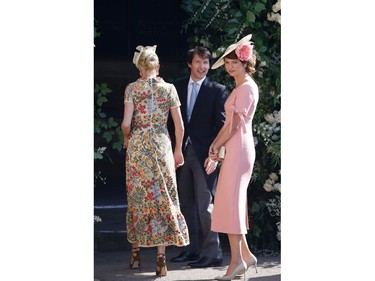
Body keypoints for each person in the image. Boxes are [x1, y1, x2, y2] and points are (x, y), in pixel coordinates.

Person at [121, 45, 190, 277]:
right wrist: (178, 150)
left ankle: (135, 253)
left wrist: (127, 140)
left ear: (140, 69)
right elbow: (179, 125)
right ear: (157, 66)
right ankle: (161, 258)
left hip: (139, 148)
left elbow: (126, 124)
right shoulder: (169, 89)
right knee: (163, 196)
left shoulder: (131, 88)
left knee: (138, 196)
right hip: (161, 147)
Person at [204, 34, 259, 280]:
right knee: (231, 201)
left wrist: (215, 145)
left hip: (239, 148)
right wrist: (217, 145)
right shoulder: (242, 86)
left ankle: (237, 261)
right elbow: (230, 125)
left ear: (245, 62)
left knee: (232, 202)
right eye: (227, 63)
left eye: (234, 61)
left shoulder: (246, 87)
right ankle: (245, 255)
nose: (229, 66)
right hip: (236, 147)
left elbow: (234, 126)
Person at [168, 46, 228, 268]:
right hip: (181, 152)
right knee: (185, 203)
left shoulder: (217, 89)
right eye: (198, 62)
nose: (203, 67)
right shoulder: (177, 87)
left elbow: (221, 125)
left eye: (206, 62)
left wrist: (215, 153)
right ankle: (190, 250)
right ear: (189, 64)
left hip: (206, 154)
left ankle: (213, 253)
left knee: (205, 204)